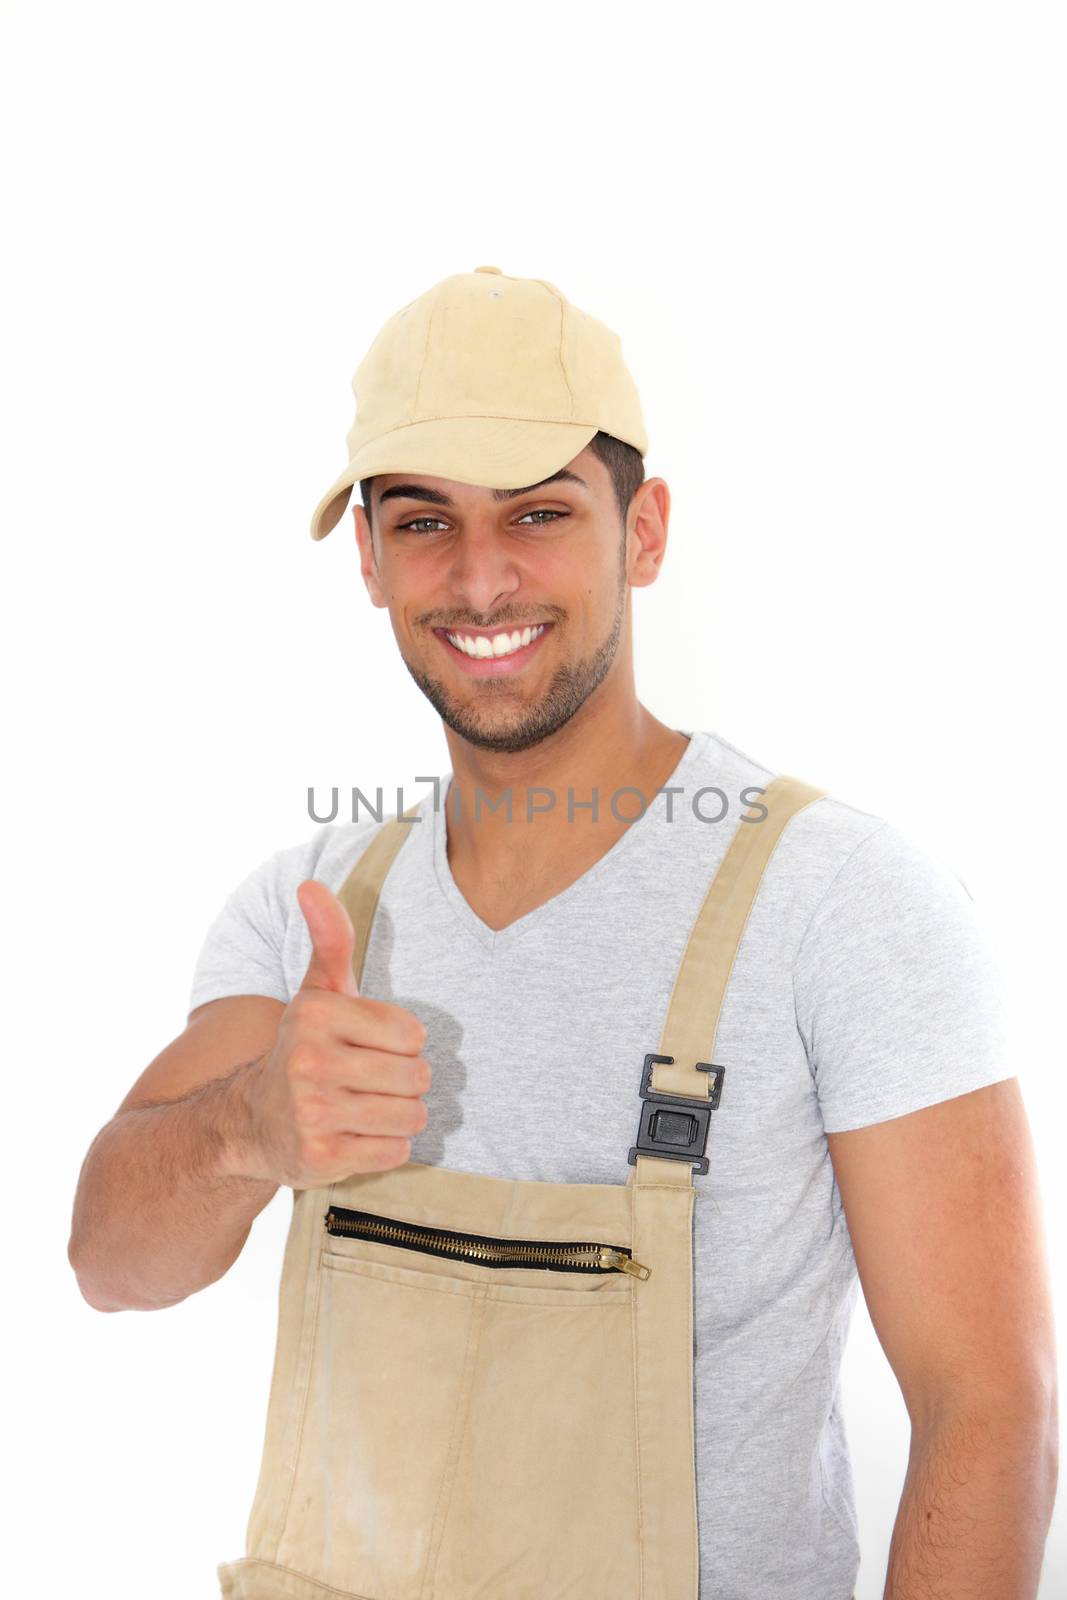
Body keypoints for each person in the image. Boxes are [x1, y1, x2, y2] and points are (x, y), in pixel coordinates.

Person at [68, 267, 1058, 1599]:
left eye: (539, 513)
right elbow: (110, 1268)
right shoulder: (311, 910)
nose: (481, 581)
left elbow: (986, 1408)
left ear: (642, 531)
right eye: (424, 522)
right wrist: (248, 1124)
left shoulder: (840, 905)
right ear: (366, 556)